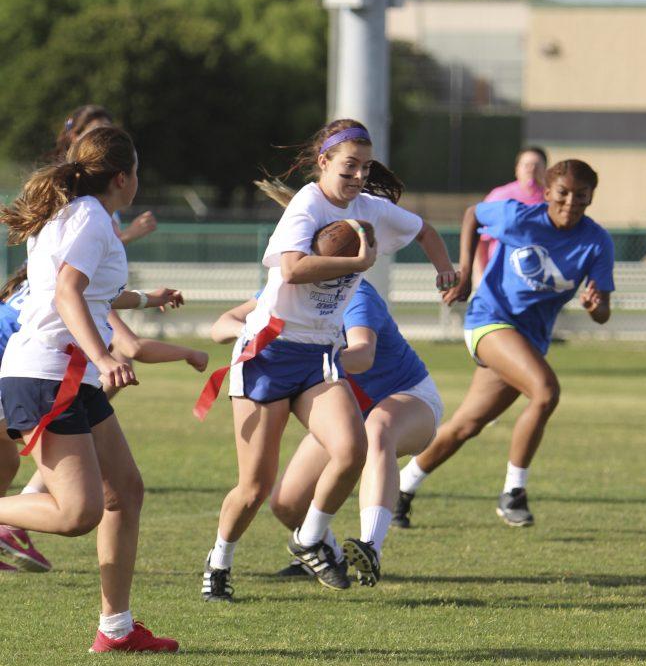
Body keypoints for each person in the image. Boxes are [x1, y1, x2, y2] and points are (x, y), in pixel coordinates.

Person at [199, 117, 457, 599]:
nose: (358, 176)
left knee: (353, 447)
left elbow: (424, 230)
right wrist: (358, 263)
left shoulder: (369, 208)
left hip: (317, 356)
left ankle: (312, 536)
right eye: (348, 166)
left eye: (364, 166)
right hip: (268, 354)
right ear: (323, 163)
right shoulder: (305, 206)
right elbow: (294, 270)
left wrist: (445, 268)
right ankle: (219, 560)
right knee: (255, 488)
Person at [0, 125, 182, 651]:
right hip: (46, 374)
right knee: (78, 513)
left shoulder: (78, 215)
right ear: (123, 178)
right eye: (138, 173)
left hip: (67, 374)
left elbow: (95, 292)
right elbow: (66, 292)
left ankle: (116, 630)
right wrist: (104, 355)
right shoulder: (91, 220)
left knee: (125, 493)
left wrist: (147, 300)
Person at [394, 159, 614, 530]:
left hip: (529, 340)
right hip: (489, 321)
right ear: (547, 193)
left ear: (592, 198)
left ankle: (401, 489)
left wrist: (596, 306)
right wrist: (464, 272)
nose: (571, 202)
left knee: (466, 425)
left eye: (581, 195)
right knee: (546, 392)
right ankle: (514, 492)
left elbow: (603, 312)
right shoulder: (519, 218)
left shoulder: (596, 241)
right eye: (563, 193)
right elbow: (472, 215)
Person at [207, 279, 443, 594]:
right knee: (287, 504)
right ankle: (322, 549)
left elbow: (363, 355)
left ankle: (371, 544)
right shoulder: (288, 286)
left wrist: (302, 357)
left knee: (377, 429)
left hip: (407, 397)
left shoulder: (355, 292)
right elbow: (222, 324)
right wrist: (252, 335)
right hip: (349, 405)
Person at [0, 266, 52, 571]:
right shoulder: (65, 282)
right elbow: (130, 347)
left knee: (7, 461)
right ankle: (11, 525)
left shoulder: (35, 280)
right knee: (66, 446)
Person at [57, 106, 157, 246]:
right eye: (97, 131)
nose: (105, 138)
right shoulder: (86, 209)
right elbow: (83, 257)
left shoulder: (100, 203)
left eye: (108, 131)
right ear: (74, 137)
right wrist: (128, 235)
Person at [473, 145, 548, 285]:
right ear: (516, 169)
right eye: (526, 165)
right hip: (502, 277)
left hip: (542, 279)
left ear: (545, 170)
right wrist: (480, 273)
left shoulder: (553, 200)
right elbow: (481, 238)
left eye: (537, 165)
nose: (531, 169)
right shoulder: (500, 196)